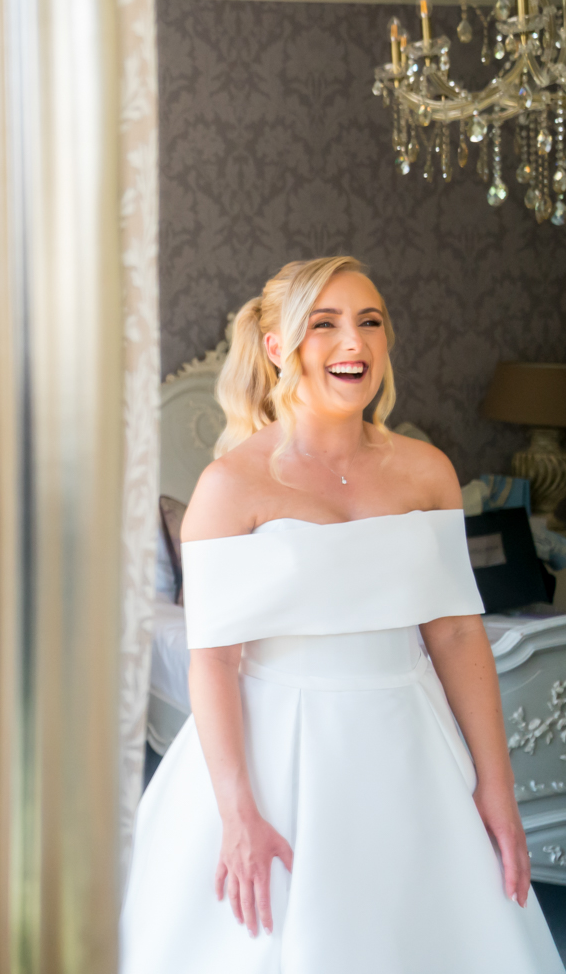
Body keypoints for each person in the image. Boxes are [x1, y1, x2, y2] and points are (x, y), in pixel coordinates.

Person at [121, 256, 564, 972]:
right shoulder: (231, 485)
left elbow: (456, 633)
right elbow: (214, 660)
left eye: (370, 321)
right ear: (278, 347)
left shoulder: (428, 470)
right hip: (277, 749)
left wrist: (497, 788)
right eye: (324, 324)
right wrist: (237, 813)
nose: (353, 341)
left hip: (410, 741)